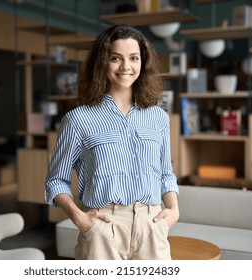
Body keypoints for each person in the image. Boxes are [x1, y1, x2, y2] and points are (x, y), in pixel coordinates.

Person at [45, 24, 179, 260]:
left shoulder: (158, 117)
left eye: (134, 58)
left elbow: (165, 174)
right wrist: (80, 218)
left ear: (142, 63)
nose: (126, 67)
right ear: (102, 63)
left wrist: (174, 210)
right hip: (102, 228)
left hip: (152, 225)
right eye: (116, 58)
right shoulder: (78, 120)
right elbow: (56, 180)